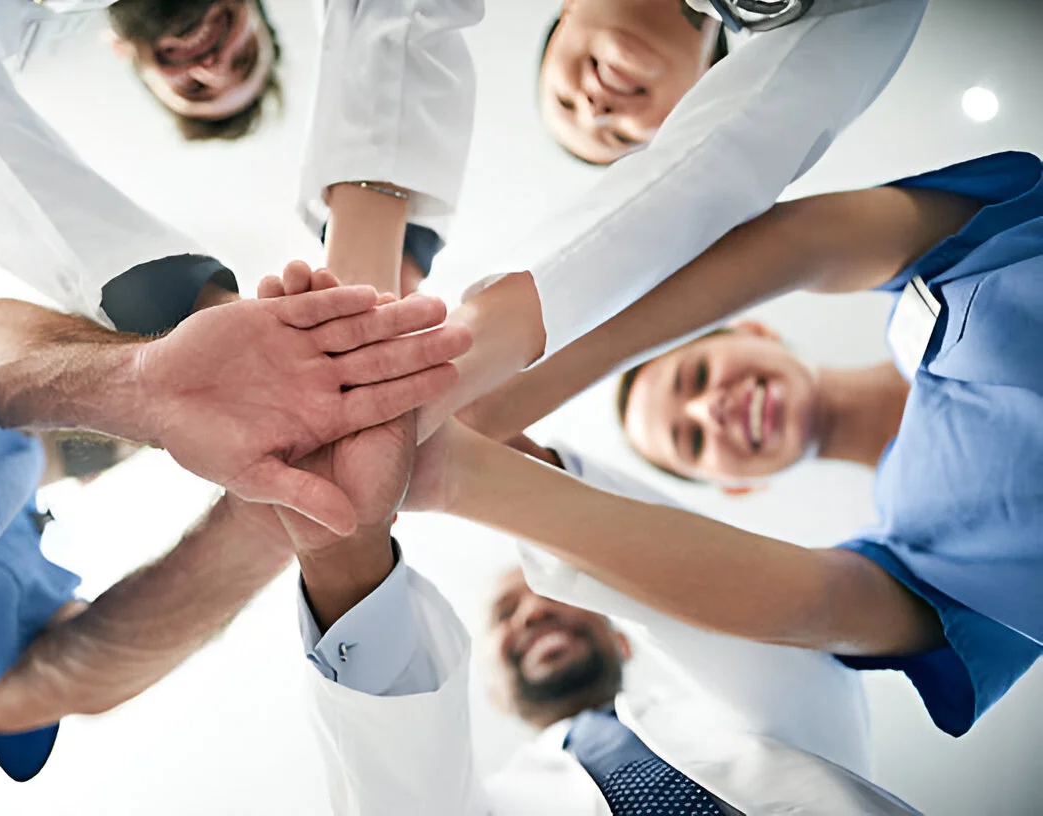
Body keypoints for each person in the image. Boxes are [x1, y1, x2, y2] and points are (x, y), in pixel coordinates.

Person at [0, 194, 470, 814]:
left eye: (110, 446)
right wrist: (133, 383)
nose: (108, 444)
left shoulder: (23, 572)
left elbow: (63, 678)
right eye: (107, 439)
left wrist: (281, 514)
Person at [243, 262, 919, 815]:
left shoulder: (779, 720)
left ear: (625, 632)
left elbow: (755, 627)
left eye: (546, 598)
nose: (535, 610)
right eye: (508, 616)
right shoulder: (489, 803)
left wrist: (495, 459)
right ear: (494, 693)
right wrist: (341, 533)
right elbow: (397, 780)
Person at [437, 150, 1043, 738]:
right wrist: (468, 473)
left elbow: (799, 242)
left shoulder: (955, 262)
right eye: (692, 440)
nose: (712, 409)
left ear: (755, 329)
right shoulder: (921, 563)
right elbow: (811, 605)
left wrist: (498, 400)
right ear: (738, 482)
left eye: (696, 376)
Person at [415, 0, 928, 440]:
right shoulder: (830, 35)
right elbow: (719, 162)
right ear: (697, 99)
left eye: (566, 102)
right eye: (619, 138)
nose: (594, 110)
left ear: (568, 10)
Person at [0, 0, 480, 331]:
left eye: (195, 88)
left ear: (125, 52)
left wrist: (182, 308)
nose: (213, 65)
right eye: (244, 59)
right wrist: (388, 256)